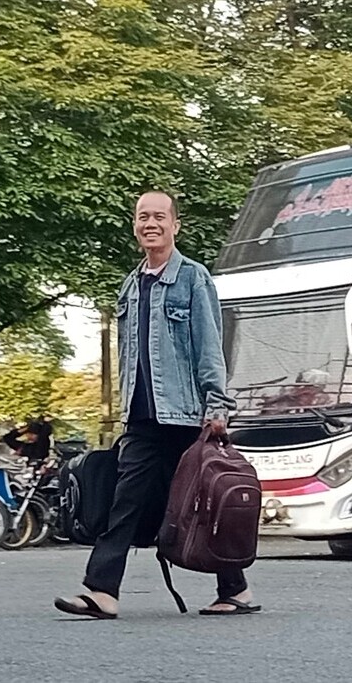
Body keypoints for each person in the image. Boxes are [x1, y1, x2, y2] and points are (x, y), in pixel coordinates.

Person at [55, 190, 258, 619]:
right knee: (124, 502)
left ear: (175, 225)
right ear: (135, 226)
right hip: (144, 418)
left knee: (201, 503)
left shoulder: (193, 277)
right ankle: (102, 591)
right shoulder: (131, 284)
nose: (151, 223)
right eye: (143, 217)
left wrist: (217, 407)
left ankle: (235, 588)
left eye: (160, 217)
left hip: (186, 415)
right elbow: (128, 354)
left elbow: (208, 346)